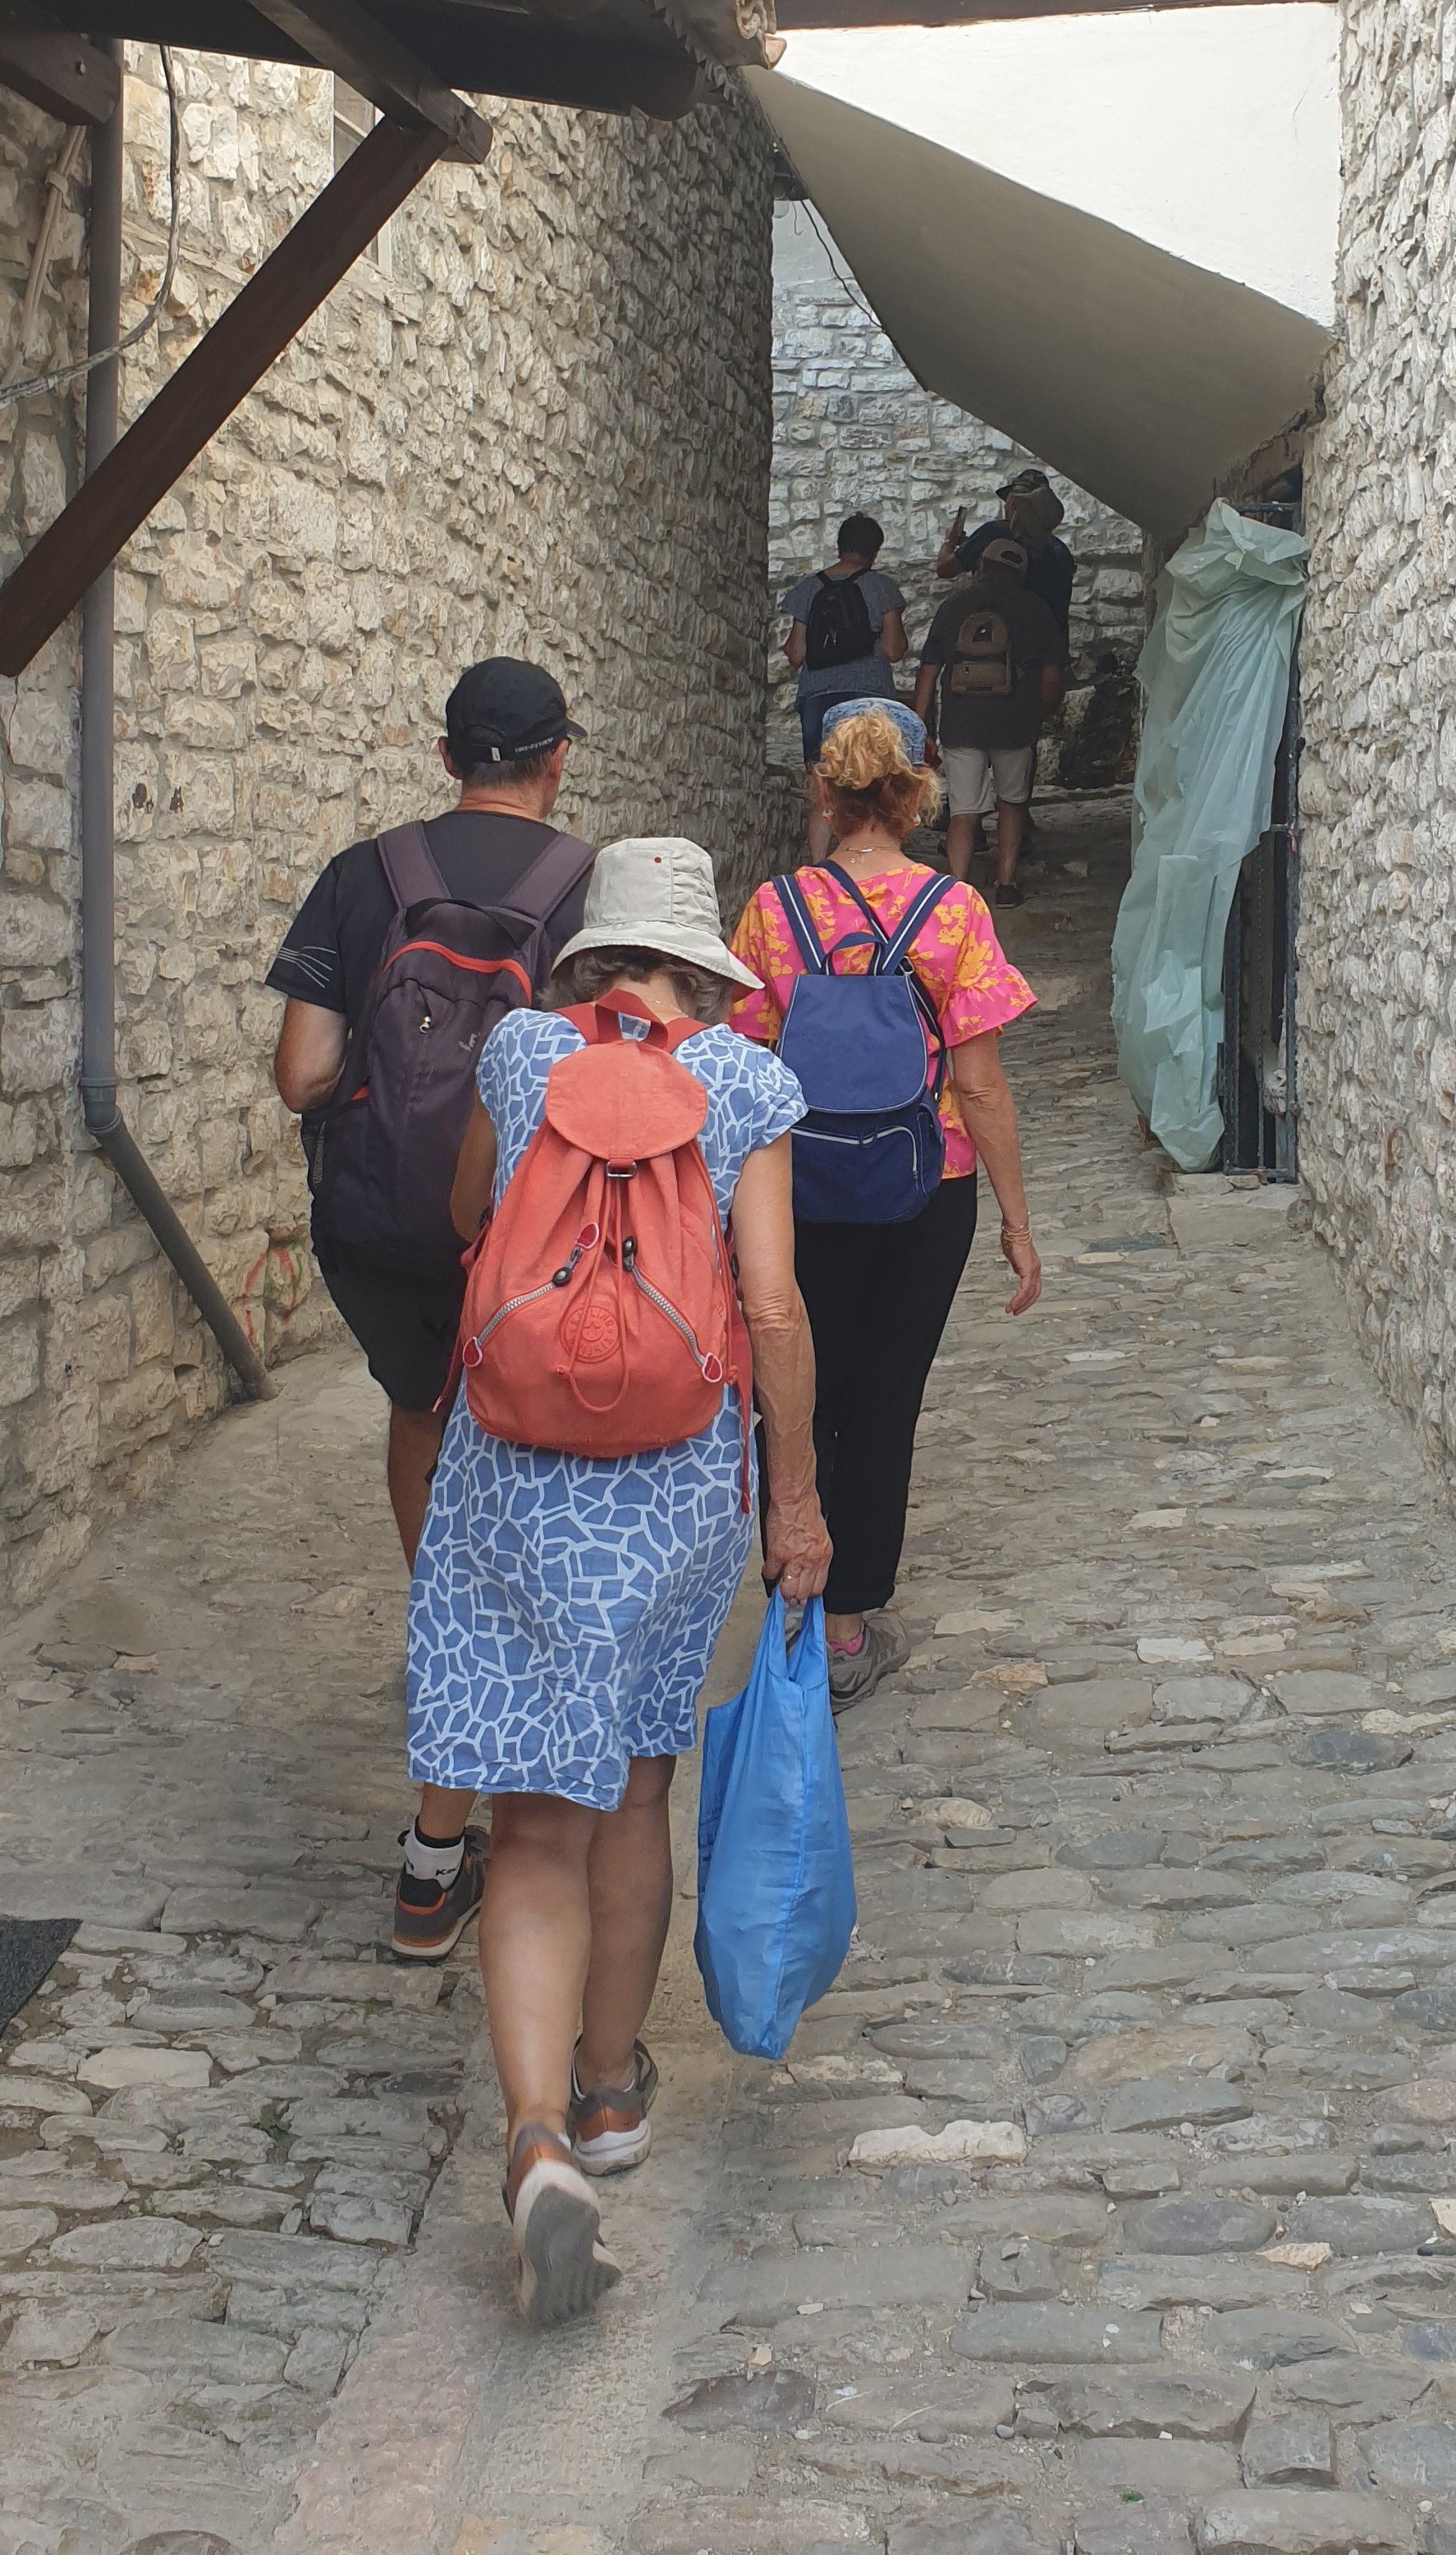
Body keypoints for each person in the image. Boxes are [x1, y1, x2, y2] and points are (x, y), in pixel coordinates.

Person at [410, 835, 831, 2325]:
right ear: (703, 968)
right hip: (672, 1487)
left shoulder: (522, 1052)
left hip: (513, 1475)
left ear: (592, 955)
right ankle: (606, 2093)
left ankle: (531, 2143)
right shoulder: (746, 1083)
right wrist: (797, 1502)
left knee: (533, 1819)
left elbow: (467, 1220)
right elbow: (771, 1307)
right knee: (637, 1787)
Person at [269, 658, 593, 1963]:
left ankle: (446, 1634)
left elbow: (302, 1074)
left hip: (382, 1236)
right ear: (557, 759)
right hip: (527, 1241)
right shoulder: (586, 888)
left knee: (421, 1415)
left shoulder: (367, 874)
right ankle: (507, 1741)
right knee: (523, 1452)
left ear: (447, 752)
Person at [730, 702, 1042, 1709]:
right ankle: (849, 1627)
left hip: (799, 1186)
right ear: (916, 798)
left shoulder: (773, 909)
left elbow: (743, 1060)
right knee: (884, 1399)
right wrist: (1017, 1222)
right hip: (926, 1184)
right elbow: (980, 1084)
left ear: (824, 792)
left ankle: (793, 1588)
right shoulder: (954, 912)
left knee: (796, 1389)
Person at [915, 535, 1066, 908]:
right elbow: (1051, 677)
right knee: (1012, 802)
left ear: (981, 565)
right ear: (1021, 573)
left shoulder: (953, 606)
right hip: (1014, 723)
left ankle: (957, 887)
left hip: (961, 722)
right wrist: (1037, 715)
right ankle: (1006, 884)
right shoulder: (1036, 609)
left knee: (963, 810)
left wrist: (920, 725)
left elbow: (928, 671)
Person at [780, 512, 909, 859]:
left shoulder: (809, 589)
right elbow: (894, 650)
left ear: (839, 546)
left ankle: (819, 866)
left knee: (824, 788)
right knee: (874, 784)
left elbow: (795, 653)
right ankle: (871, 861)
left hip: (819, 702)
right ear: (875, 551)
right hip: (870, 699)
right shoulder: (881, 588)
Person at [937, 466, 1076, 638]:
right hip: (1049, 644)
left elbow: (945, 568)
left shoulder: (995, 533)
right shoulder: (1061, 551)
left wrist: (949, 542)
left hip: (1005, 642)